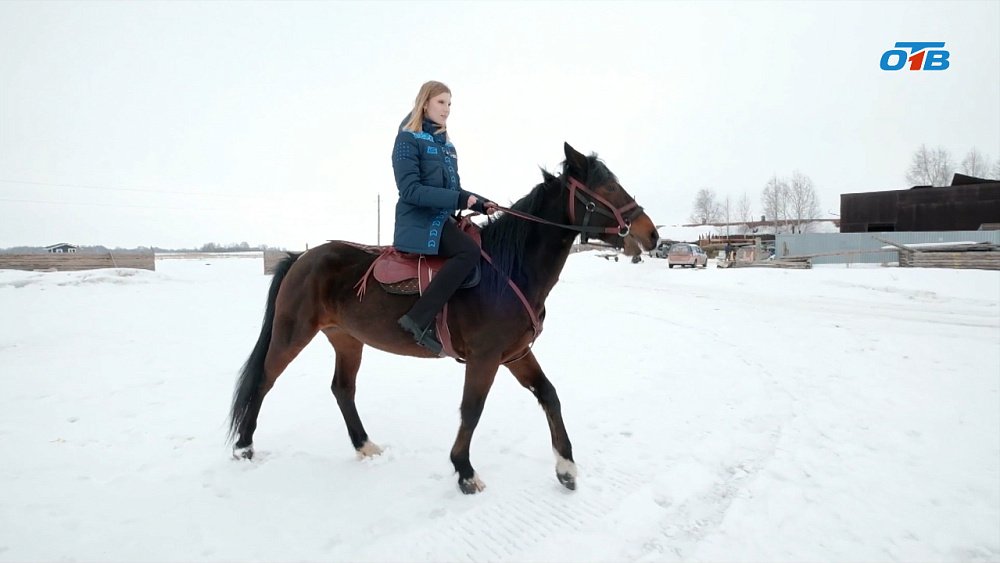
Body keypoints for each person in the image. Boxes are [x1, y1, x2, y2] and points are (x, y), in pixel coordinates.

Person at [391, 81, 496, 354]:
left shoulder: (447, 147)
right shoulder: (408, 138)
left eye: (450, 104)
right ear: (425, 103)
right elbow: (410, 190)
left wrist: (481, 203)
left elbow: (454, 191)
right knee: (468, 251)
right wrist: (459, 199)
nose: (447, 109)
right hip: (420, 220)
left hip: (443, 219)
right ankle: (418, 319)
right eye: (441, 102)